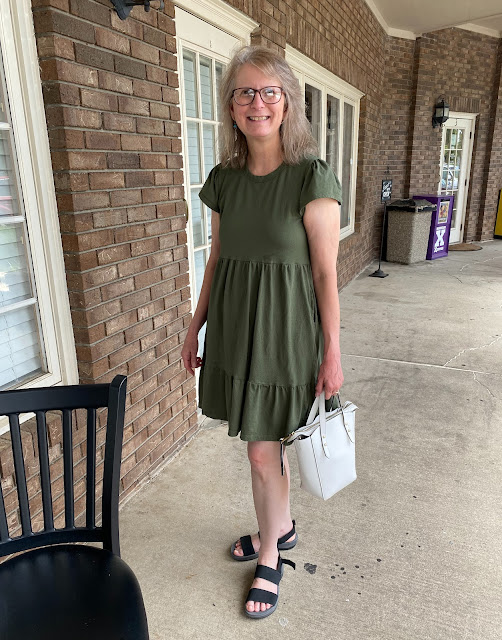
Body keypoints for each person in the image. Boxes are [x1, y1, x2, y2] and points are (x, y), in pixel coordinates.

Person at [181, 45, 343, 619]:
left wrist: (332, 352)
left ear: (287, 102)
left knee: (259, 451)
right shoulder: (223, 180)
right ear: (230, 107)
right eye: (245, 92)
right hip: (235, 328)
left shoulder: (310, 176)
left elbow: (325, 273)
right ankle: (282, 526)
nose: (258, 103)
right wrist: (196, 325)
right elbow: (217, 257)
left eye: (269, 91)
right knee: (264, 445)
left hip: (287, 333)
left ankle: (270, 553)